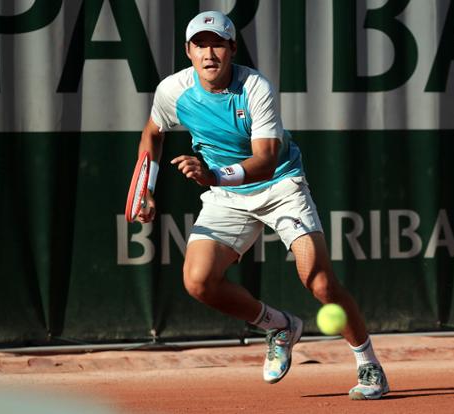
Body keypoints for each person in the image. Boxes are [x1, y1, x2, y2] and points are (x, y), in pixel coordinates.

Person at [136, 10, 389, 400]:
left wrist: (213, 176)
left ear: (232, 48)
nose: (209, 53)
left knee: (318, 281)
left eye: (217, 44)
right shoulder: (173, 91)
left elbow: (266, 159)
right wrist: (146, 188)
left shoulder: (256, 87)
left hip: (279, 185)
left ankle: (368, 364)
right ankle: (279, 326)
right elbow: (153, 133)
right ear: (188, 51)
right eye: (200, 45)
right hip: (227, 195)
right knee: (198, 281)